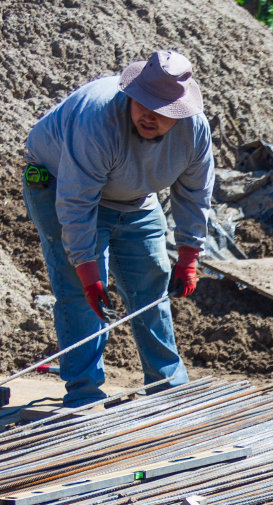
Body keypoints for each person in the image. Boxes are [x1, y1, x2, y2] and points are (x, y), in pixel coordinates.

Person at [23, 51, 214, 408]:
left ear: (181, 112)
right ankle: (84, 395)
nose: (148, 115)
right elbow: (76, 202)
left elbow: (195, 193)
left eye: (162, 111)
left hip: (134, 195)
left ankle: (167, 385)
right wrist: (87, 271)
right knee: (80, 295)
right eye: (143, 104)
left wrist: (189, 255)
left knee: (151, 283)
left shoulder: (194, 132)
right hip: (59, 184)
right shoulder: (99, 121)